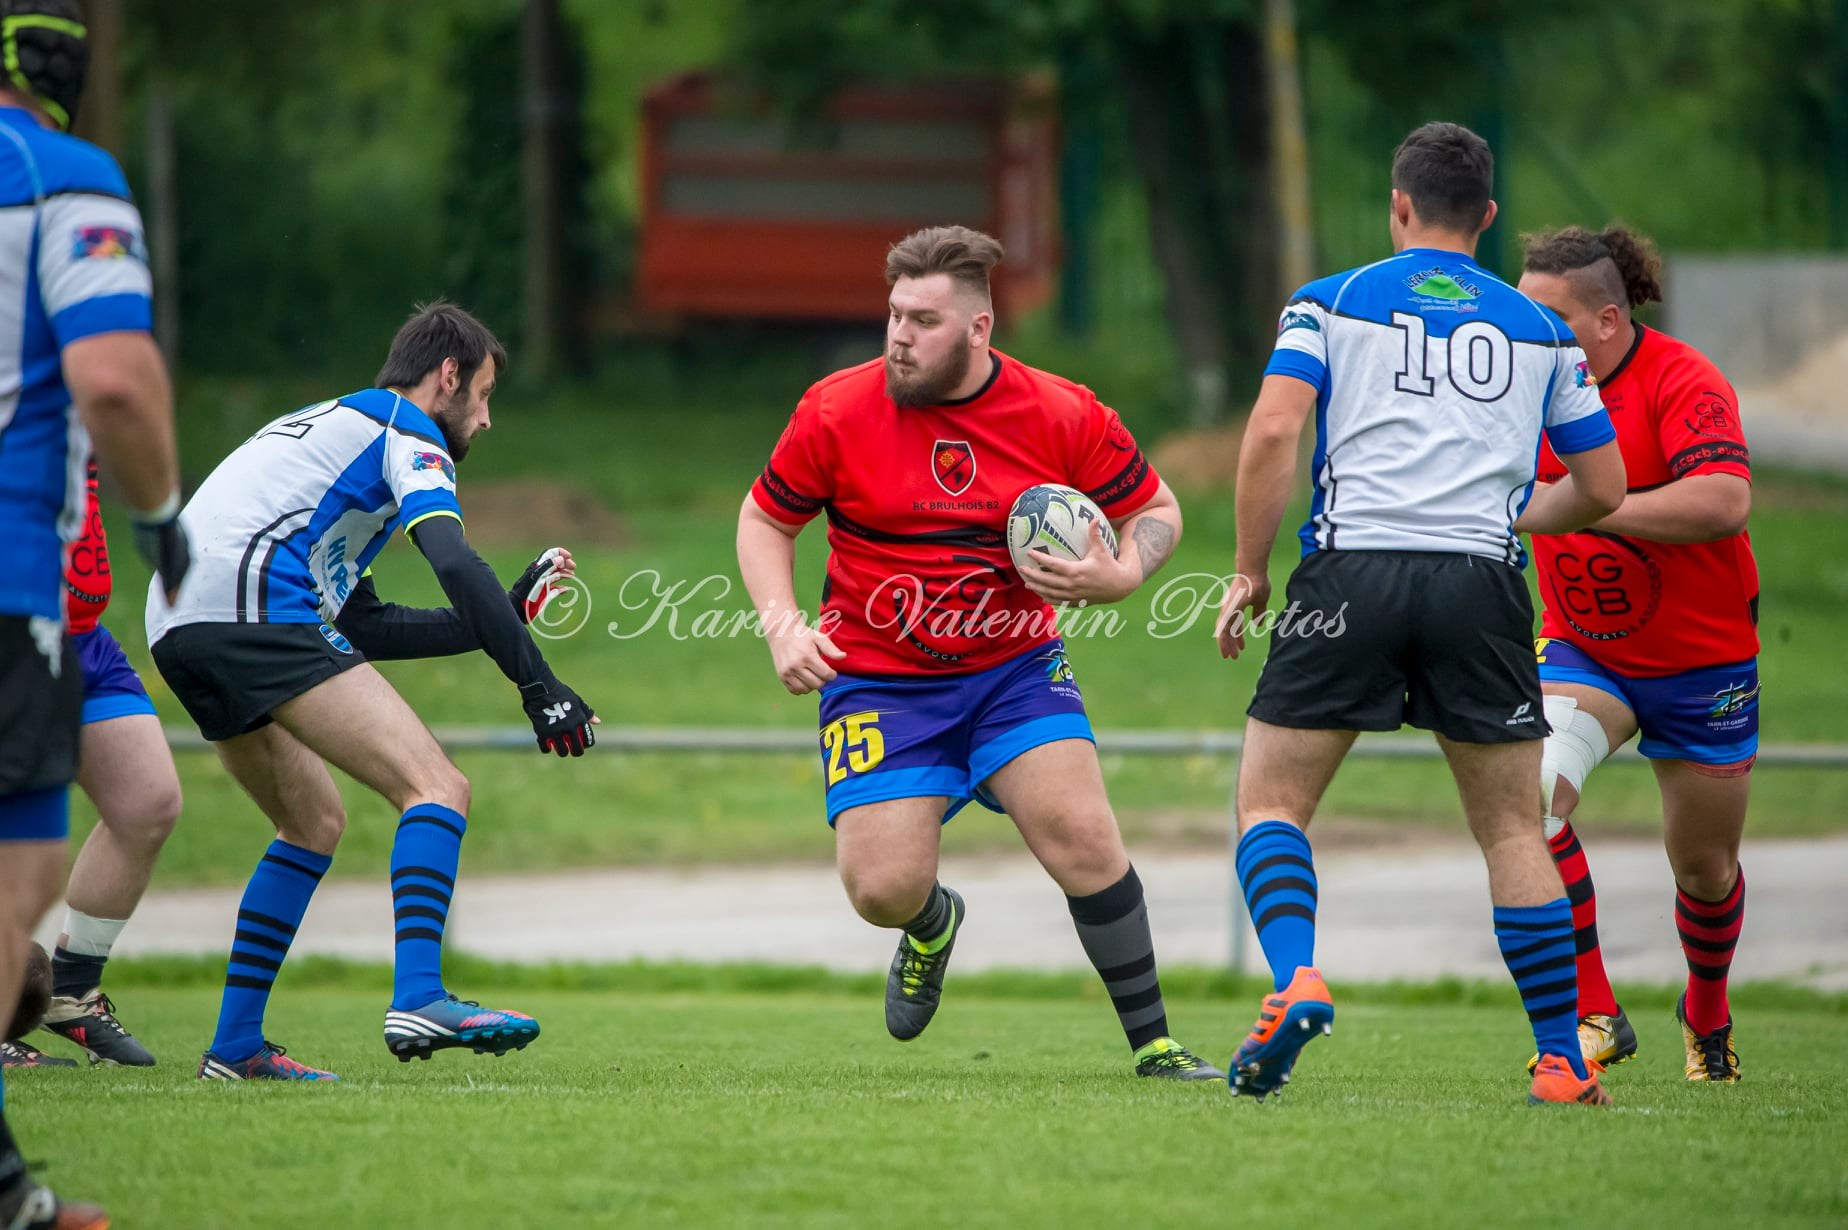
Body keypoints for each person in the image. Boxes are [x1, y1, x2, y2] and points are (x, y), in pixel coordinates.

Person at [737, 225, 1220, 1081]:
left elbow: (1158, 511)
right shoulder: (836, 410)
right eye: (893, 315)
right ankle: (932, 925)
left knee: (1081, 833)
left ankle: (1156, 1046)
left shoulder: (1060, 412)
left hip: (1013, 670)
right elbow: (765, 518)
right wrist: (781, 623)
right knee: (880, 889)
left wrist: (1122, 573)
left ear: (979, 329)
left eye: (923, 320)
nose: (899, 336)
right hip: (878, 679)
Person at [1212, 122, 1628, 1105]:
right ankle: (1562, 1059)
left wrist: (1246, 570)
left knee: (1272, 804)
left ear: (1398, 205)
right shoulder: (1542, 329)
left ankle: (1296, 977)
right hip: (1480, 585)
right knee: (1514, 833)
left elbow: (1276, 427)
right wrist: (1512, 515)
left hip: (1350, 571)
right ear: (1485, 217)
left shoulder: (1331, 302)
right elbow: (1605, 488)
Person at [145, 302, 597, 1082]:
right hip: (252, 603)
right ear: (446, 376)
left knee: (312, 822)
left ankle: (235, 1047)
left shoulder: (342, 435)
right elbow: (454, 564)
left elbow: (370, 627)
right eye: (483, 395)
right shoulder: (406, 433)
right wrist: (541, 686)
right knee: (437, 786)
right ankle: (420, 994)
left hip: (179, 618)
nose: (486, 420)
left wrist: (502, 618)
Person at [0, 2, 188, 1224]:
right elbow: (113, 378)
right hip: (13, 591)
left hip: (68, 613)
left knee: (144, 800)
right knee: (15, 890)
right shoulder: (62, 177)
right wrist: (167, 514)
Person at [1518, 225, 1756, 1083]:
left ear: (1608, 321)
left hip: (1704, 665)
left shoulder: (1683, 381)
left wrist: (1589, 504)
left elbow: (1725, 501)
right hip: (1584, 652)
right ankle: (1597, 1012)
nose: (1523, 327)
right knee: (1531, 798)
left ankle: (1708, 1011)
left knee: (1704, 868)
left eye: (1546, 315)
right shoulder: (1519, 382)